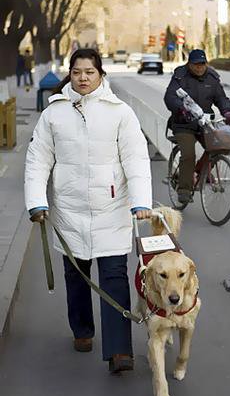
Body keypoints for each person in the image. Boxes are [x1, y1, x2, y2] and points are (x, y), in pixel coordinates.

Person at [24, 48, 152, 373]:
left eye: (90, 72)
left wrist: (141, 201)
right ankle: (82, 330)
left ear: (101, 75)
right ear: (70, 74)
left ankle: (120, 351)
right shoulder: (54, 114)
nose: (83, 78)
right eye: (78, 72)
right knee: (77, 274)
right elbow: (38, 159)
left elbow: (136, 158)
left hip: (112, 208)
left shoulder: (119, 112)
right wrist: (36, 200)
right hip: (69, 209)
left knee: (114, 275)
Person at [164, 48, 230, 204]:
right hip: (183, 123)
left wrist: (227, 112)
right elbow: (170, 96)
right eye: (196, 64)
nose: (199, 67)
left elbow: (221, 98)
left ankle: (198, 171)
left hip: (204, 123)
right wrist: (180, 109)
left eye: (202, 64)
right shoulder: (180, 76)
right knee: (189, 154)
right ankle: (184, 190)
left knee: (220, 146)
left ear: (206, 63)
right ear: (189, 64)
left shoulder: (212, 77)